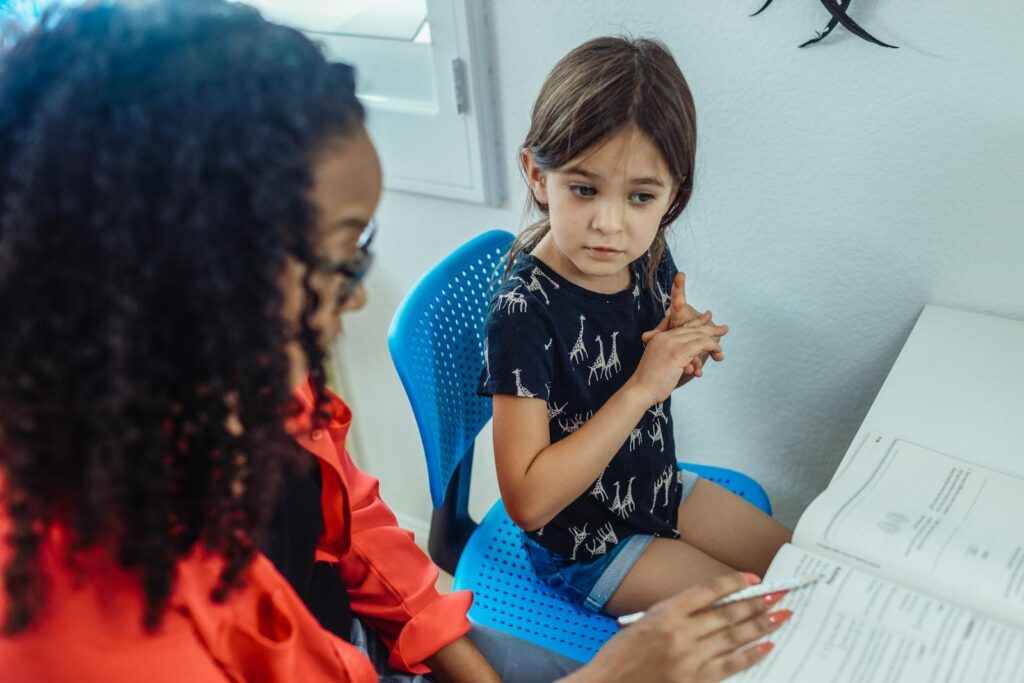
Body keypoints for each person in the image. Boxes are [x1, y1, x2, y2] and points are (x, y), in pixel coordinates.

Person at [0, 2, 785, 681]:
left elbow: (362, 536)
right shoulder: (94, 627)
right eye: (339, 254)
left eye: (360, 246)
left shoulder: (260, 386)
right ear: (184, 264)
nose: (354, 294)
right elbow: (533, 492)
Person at [480, 37, 794, 619]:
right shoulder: (522, 315)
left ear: (673, 197)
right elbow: (528, 503)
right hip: (586, 543)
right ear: (535, 173)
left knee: (805, 568)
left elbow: (626, 387)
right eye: (583, 188)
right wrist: (644, 387)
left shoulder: (646, 259)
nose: (610, 223)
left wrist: (677, 359)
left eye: (641, 197)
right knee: (762, 612)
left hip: (654, 488)